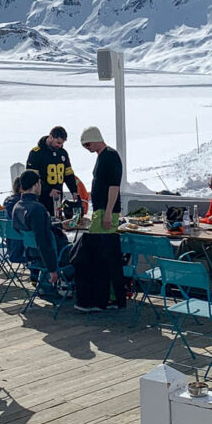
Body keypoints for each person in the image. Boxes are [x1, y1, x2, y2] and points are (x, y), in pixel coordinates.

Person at [75, 127, 127, 310]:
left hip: (107, 212)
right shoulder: (102, 156)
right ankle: (107, 296)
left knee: (105, 255)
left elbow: (114, 186)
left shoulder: (110, 156)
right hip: (101, 210)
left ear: (96, 139)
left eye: (88, 144)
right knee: (102, 255)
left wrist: (107, 213)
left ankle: (109, 297)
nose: (87, 148)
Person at [11, 170, 73, 291]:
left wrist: (58, 225)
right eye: (39, 183)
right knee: (84, 251)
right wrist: (52, 270)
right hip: (53, 254)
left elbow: (26, 231)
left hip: (31, 252)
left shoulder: (17, 207)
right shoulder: (38, 208)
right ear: (36, 185)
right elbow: (43, 241)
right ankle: (71, 287)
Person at [26, 126, 81, 215]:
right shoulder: (36, 153)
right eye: (58, 142)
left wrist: (74, 191)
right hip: (41, 198)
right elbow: (32, 178)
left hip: (58, 198)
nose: (59, 145)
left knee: (57, 221)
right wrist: (48, 191)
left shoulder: (63, 153)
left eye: (62, 143)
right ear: (51, 137)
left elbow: (68, 174)